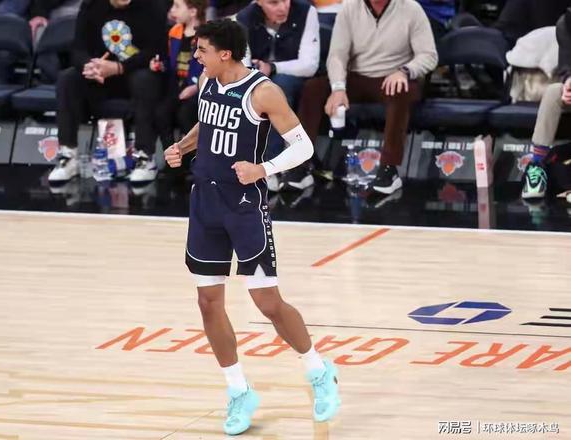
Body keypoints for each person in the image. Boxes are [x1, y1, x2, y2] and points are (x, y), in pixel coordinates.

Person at [163, 19, 340, 436]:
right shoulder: (208, 82)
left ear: (225, 54)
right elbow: (206, 126)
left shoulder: (263, 91)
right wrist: (183, 147)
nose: (196, 56)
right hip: (205, 201)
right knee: (208, 302)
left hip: (243, 207)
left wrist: (264, 168)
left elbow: (303, 146)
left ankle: (318, 371)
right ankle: (238, 390)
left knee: (268, 303)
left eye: (202, 50)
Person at [298, 0, 437, 195]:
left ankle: (389, 170)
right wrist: (338, 88)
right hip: (357, 75)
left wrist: (405, 71)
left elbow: (429, 55)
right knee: (313, 88)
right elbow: (337, 55)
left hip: (394, 76)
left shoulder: (412, 9)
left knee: (401, 92)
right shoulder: (349, 8)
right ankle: (299, 165)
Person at [48, 0, 167, 183]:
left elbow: (156, 51)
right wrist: (89, 66)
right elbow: (78, 48)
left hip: (136, 74)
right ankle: (68, 155)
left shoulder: (152, 6)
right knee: (67, 79)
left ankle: (145, 158)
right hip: (101, 76)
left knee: (144, 80)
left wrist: (119, 67)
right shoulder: (91, 5)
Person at [236, 0, 320, 191]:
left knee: (276, 88)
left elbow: (309, 65)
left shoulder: (307, 12)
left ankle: (270, 165)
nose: (283, 7)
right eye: (274, 2)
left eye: (285, 0)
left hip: (296, 78)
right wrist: (256, 73)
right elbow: (243, 64)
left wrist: (272, 67)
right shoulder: (244, 18)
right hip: (259, 79)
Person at [522, 8, 571, 199]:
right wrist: (568, 82)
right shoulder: (566, 24)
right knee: (553, 92)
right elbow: (566, 65)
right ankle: (537, 166)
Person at [152, 0, 207, 154]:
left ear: (193, 11)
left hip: (199, 91)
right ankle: (173, 159)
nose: (172, 10)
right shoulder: (174, 32)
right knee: (161, 114)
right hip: (177, 89)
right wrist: (160, 65)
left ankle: (191, 159)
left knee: (185, 114)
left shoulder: (207, 35)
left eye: (177, 6)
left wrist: (196, 87)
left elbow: (211, 69)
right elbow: (169, 61)